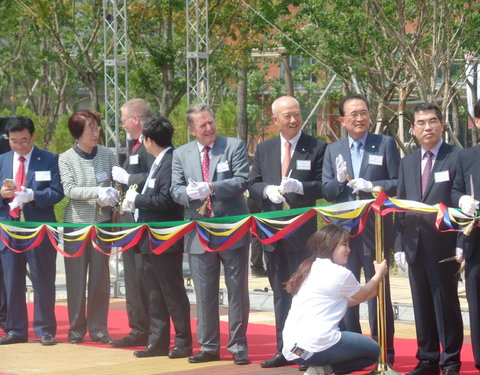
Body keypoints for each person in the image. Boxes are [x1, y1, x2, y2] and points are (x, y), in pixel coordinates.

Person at [248, 95, 326, 369]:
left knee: (305, 294)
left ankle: (307, 353)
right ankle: (284, 349)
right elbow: (253, 184)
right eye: (287, 116)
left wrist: (301, 188)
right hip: (272, 235)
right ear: (275, 120)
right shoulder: (265, 148)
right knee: (281, 294)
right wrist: (265, 191)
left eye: (297, 114)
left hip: (302, 237)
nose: (293, 120)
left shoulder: (316, 146)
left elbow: (323, 186)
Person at [170, 103, 251, 365]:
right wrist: (188, 194)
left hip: (231, 229)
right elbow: (175, 189)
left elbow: (242, 180)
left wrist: (211, 187)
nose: (209, 128)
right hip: (199, 231)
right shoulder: (181, 154)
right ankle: (208, 345)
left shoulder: (233, 146)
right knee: (204, 291)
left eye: (211, 122)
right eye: (202, 125)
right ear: (191, 129)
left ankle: (238, 345)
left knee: (237, 290)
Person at [321, 94, 399, 364]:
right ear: (342, 120)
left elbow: (398, 182)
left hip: (375, 230)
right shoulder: (333, 150)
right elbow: (327, 191)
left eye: (363, 112)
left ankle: (384, 353)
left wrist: (374, 187)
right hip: (344, 235)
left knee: (378, 290)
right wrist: (341, 180)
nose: (359, 118)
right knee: (346, 291)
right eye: (353, 114)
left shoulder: (385, 143)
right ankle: (352, 352)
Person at [395, 103, 463, 375]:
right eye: (421, 123)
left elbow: (461, 201)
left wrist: (462, 241)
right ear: (412, 129)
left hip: (444, 245)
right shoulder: (407, 162)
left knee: (445, 303)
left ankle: (450, 361)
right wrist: (398, 244)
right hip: (414, 245)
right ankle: (427, 359)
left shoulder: (456, 157)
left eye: (433, 121)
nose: (427, 127)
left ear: (442, 124)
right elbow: (400, 207)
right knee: (421, 304)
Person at [121, 115, 192, 359]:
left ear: (149, 140)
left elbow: (165, 199)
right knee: (154, 292)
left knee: (171, 292)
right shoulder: (158, 161)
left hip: (164, 237)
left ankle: (183, 341)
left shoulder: (170, 161)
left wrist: (136, 199)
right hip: (148, 237)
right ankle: (158, 341)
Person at [282, 224, 387, 375]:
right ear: (330, 246)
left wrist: (370, 292)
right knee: (374, 351)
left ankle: (316, 370)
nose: (348, 250)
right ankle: (322, 370)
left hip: (294, 350)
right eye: (344, 245)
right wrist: (378, 274)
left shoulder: (310, 267)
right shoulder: (340, 273)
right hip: (316, 344)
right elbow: (362, 295)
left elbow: (344, 301)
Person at [0, 116, 63, 345]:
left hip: (40, 229)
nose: (19, 146)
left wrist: (33, 195)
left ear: (33, 136)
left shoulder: (49, 159)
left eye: (24, 140)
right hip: (9, 230)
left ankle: (45, 329)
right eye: (14, 141)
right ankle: (15, 329)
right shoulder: (2, 161)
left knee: (43, 280)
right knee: (11, 281)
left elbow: (57, 192)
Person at [59, 110, 119, 344]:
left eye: (97, 128)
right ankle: (75, 329)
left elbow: (116, 182)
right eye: (90, 129)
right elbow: (70, 190)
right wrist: (97, 192)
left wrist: (112, 194)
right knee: (75, 278)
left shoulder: (108, 154)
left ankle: (99, 328)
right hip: (76, 225)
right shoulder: (65, 158)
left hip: (103, 223)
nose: (96, 133)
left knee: (100, 278)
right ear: (78, 134)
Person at [109, 98, 154, 348]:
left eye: (124, 119)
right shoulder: (135, 146)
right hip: (129, 223)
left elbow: (156, 176)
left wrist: (129, 177)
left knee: (142, 278)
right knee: (133, 278)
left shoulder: (150, 143)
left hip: (143, 224)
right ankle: (138, 327)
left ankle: (145, 329)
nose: (123, 124)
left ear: (136, 119)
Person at [452, 98, 480, 373]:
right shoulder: (467, 156)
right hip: (476, 243)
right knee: (476, 304)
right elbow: (455, 190)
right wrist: (462, 201)